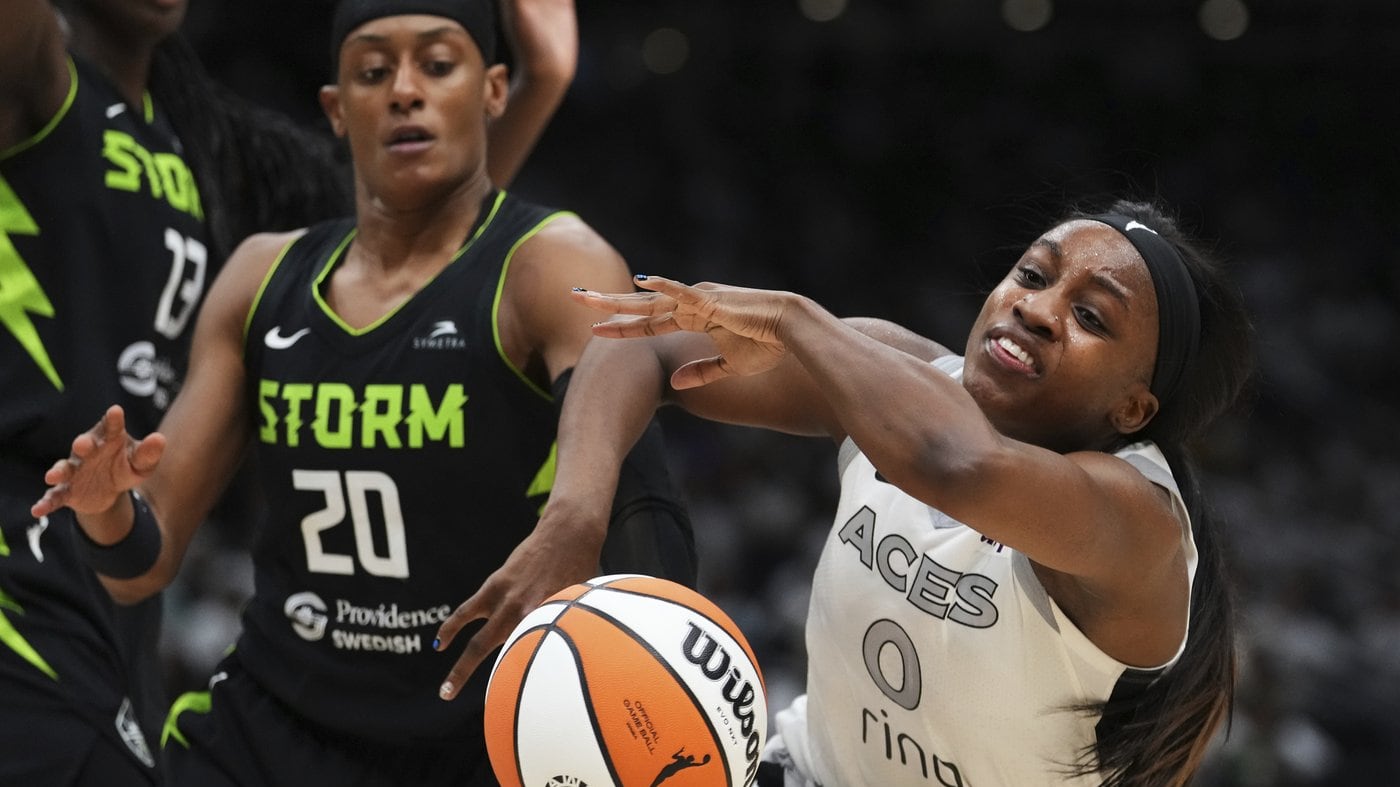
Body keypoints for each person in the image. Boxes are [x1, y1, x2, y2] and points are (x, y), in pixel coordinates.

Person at [31, 0, 694, 784]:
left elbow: (639, 496)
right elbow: (141, 563)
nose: (404, 91)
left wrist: (648, 678)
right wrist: (106, 510)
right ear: (336, 109)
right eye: (374, 72)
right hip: (266, 736)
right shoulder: (261, 277)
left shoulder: (549, 265)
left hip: (478, 740)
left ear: (493, 90)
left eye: (437, 65)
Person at [446, 198, 1254, 785]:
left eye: (1092, 317)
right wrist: (574, 516)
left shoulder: (1138, 520)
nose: (1037, 309)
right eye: (1032, 274)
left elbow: (955, 464)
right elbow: (637, 347)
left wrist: (796, 319)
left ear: (1133, 409)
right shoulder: (898, 376)